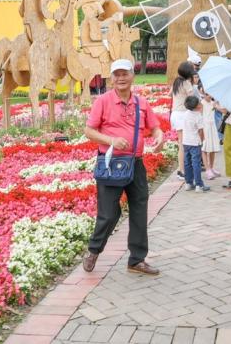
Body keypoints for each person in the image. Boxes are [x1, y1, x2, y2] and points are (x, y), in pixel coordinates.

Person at [83, 58, 165, 275]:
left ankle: (136, 259)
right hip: (110, 164)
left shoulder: (141, 103)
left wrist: (159, 136)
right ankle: (94, 249)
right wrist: (111, 140)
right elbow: (89, 131)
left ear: (132, 76)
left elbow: (155, 127)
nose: (121, 78)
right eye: (116, 74)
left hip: (135, 163)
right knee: (109, 214)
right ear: (111, 78)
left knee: (139, 209)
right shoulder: (102, 101)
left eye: (125, 74)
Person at [169, 61, 197, 180]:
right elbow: (192, 99)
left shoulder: (176, 81)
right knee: (183, 143)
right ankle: (182, 170)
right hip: (183, 114)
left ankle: (182, 169)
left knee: (182, 142)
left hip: (175, 113)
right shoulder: (186, 83)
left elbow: (170, 93)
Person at [181, 96, 210, 192]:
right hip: (195, 143)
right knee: (196, 164)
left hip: (186, 142)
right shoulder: (198, 116)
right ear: (197, 106)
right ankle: (199, 185)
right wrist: (201, 141)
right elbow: (201, 131)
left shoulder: (185, 114)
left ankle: (188, 183)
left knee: (187, 163)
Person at [199, 90, 222, 180]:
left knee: (212, 148)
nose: (209, 96)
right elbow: (199, 116)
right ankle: (207, 169)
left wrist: (218, 103)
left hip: (212, 127)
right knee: (204, 148)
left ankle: (211, 167)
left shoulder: (213, 103)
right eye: (206, 94)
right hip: (205, 127)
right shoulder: (201, 103)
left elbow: (222, 110)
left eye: (210, 94)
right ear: (203, 94)